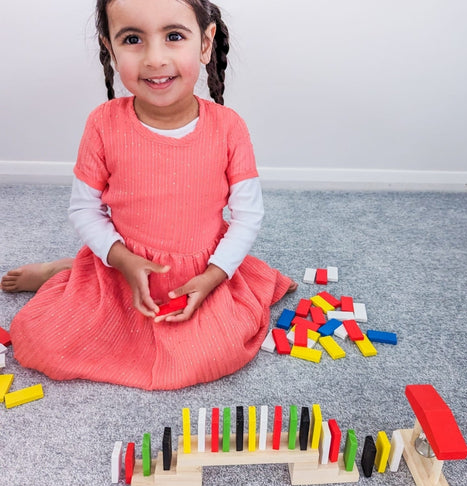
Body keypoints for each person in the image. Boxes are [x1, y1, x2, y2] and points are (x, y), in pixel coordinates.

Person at [2, 0, 296, 390]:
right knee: (39, 343)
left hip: (200, 270)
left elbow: (247, 217)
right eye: (133, 39)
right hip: (122, 268)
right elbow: (84, 208)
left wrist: (212, 277)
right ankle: (72, 271)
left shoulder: (229, 128)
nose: (155, 59)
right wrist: (121, 259)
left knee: (216, 352)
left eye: (174, 36)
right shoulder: (103, 124)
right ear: (110, 48)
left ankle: (73, 270)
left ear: (205, 43)